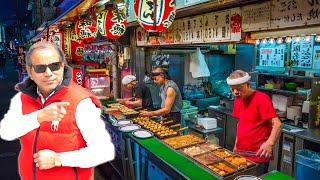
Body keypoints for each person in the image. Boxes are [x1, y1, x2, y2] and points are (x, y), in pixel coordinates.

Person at [0, 41, 115, 180]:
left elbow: (104, 151)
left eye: (54, 66)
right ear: (30, 71)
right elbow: (6, 132)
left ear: (62, 67)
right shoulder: (21, 98)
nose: (49, 73)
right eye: (40, 68)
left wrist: (58, 159)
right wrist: (38, 117)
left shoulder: (81, 102)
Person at [226, 70, 282, 176]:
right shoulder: (238, 99)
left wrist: (269, 143)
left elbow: (277, 124)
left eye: (238, 89)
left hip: (258, 156)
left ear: (248, 84)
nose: (235, 93)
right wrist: (236, 144)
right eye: (232, 89)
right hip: (241, 152)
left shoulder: (262, 99)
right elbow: (240, 123)